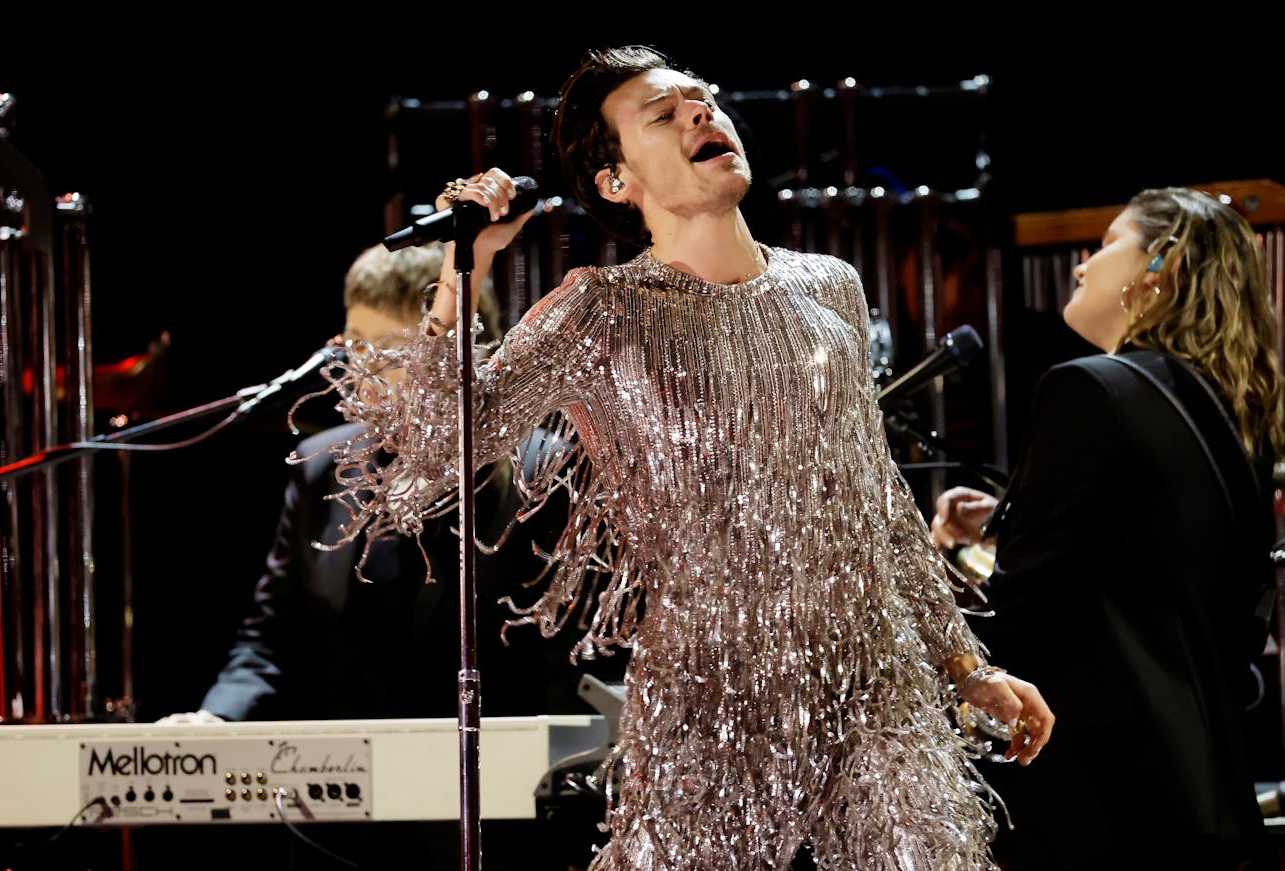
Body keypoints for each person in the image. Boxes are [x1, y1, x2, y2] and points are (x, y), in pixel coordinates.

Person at [319, 45, 1054, 871]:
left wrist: (964, 666)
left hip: (875, 680)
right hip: (713, 694)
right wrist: (469, 267)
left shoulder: (832, 286)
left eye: (703, 101)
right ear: (615, 181)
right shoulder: (600, 312)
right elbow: (436, 451)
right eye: (663, 115)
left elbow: (875, 499)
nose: (701, 114)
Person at [159, 240, 623, 870]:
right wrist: (218, 719)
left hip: (493, 825)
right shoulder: (321, 466)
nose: (359, 370)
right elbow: (269, 636)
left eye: (388, 354)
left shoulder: (542, 471)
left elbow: (565, 660)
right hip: (341, 830)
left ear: (454, 356)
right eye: (353, 343)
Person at [930, 186, 1284, 869]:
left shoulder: (1089, 387)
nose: (1085, 263)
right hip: (1206, 783)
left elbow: (1026, 606)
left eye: (1110, 242)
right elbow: (1157, 568)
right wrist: (1007, 519)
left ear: (1162, 264)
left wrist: (933, 620)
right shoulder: (1226, 406)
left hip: (1099, 788)